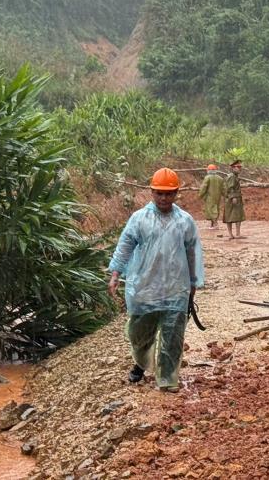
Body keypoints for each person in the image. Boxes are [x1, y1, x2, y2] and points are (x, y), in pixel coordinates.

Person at [107, 167, 204, 391]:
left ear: (177, 193)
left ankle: (168, 380)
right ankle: (141, 363)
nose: (164, 198)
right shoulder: (139, 219)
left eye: (169, 193)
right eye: (159, 193)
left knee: (172, 337)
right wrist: (115, 275)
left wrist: (193, 282)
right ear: (151, 192)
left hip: (175, 289)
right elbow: (125, 247)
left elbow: (192, 252)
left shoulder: (184, 221)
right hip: (143, 289)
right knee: (139, 334)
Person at [221, 159, 246, 240]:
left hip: (236, 198)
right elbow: (230, 188)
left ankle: (237, 234)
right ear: (233, 168)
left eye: (240, 167)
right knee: (229, 217)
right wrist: (233, 197)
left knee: (238, 216)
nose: (240, 169)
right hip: (232, 199)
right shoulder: (231, 176)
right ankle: (230, 234)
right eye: (238, 167)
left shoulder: (234, 176)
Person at [197, 164, 223, 228]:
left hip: (210, 197)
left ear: (208, 170)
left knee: (211, 210)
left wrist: (200, 195)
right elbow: (223, 188)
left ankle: (215, 224)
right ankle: (213, 224)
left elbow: (204, 187)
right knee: (216, 209)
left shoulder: (207, 178)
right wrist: (225, 195)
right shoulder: (220, 178)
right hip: (218, 197)